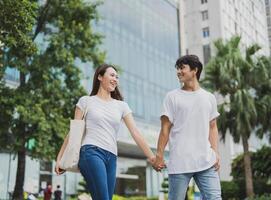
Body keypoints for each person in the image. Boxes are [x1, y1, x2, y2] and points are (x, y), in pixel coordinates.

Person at [55, 64, 156, 200]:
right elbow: (74, 132)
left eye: (117, 77)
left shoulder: (121, 106)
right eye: (112, 75)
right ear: (100, 77)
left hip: (112, 157)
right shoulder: (86, 101)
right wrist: (59, 159)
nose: (115, 79)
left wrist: (152, 157)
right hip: (91, 152)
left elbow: (135, 133)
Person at [153, 55, 222, 200]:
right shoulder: (172, 97)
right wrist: (159, 155)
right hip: (180, 162)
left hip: (206, 161)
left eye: (182, 68)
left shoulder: (209, 97)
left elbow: (213, 126)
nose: (178, 72)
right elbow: (165, 129)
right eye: (177, 68)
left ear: (194, 70)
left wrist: (215, 153)